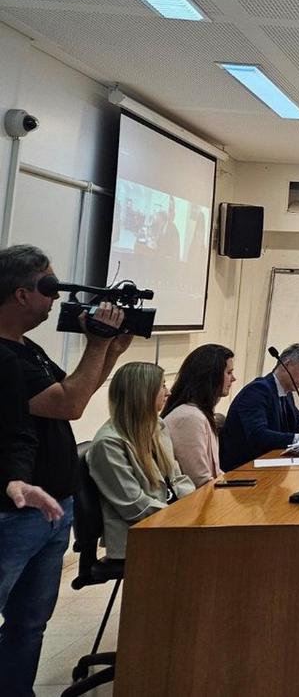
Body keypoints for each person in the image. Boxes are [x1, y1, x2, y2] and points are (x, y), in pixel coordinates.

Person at [0, 244, 132, 694]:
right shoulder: (4, 358)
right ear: (20, 295)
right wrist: (95, 343)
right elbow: (71, 405)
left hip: (52, 507)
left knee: (30, 625)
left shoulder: (28, 349)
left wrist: (110, 352)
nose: (55, 299)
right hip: (14, 512)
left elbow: (77, 389)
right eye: (48, 288)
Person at [86, 362, 195, 560]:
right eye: (162, 386)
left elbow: (177, 479)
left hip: (169, 521)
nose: (168, 392)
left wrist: (196, 505)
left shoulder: (157, 427)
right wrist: (181, 516)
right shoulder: (109, 444)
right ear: (143, 394)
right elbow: (135, 505)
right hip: (142, 534)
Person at [220, 343, 299, 471]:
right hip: (245, 470)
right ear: (287, 364)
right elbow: (258, 435)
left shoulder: (285, 393)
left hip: (270, 466)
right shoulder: (258, 391)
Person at [162, 344, 236, 487]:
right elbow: (199, 481)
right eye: (229, 373)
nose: (233, 379)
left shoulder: (198, 413)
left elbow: (214, 473)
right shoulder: (189, 417)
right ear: (211, 376)